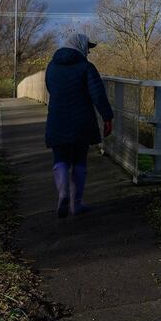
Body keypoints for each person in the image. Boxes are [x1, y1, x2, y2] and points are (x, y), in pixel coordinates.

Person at [45, 33, 113, 218]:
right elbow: (98, 95)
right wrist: (107, 117)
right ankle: (76, 204)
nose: (89, 52)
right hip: (81, 120)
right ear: (81, 46)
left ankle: (63, 193)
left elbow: (51, 89)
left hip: (57, 119)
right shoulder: (86, 67)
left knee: (60, 159)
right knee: (79, 161)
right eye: (88, 48)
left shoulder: (51, 67)